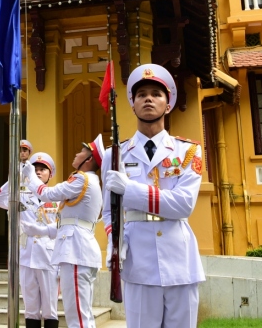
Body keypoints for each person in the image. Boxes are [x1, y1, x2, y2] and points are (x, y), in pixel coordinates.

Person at [102, 64, 206, 328]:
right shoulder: (114, 155)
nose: (148, 98)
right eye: (141, 94)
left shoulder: (188, 152)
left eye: (156, 94)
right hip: (137, 258)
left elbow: (183, 205)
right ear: (133, 105)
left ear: (168, 104)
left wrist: (130, 190)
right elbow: (107, 210)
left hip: (179, 259)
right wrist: (114, 243)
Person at [22, 149, 102, 328]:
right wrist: (41, 230)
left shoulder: (81, 179)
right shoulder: (90, 181)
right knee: (83, 315)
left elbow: (46, 194)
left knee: (77, 317)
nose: (76, 153)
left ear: (89, 159)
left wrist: (30, 176)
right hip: (78, 249)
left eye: (82, 152)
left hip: (75, 251)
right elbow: (66, 223)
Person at [0, 152, 60, 328]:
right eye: (35, 169)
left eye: (42, 169)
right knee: (30, 308)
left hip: (49, 257)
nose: (38, 172)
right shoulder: (21, 194)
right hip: (27, 255)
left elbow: (62, 228)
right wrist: (15, 178)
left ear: (50, 174)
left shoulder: (57, 196)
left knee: (50, 309)